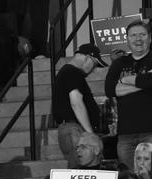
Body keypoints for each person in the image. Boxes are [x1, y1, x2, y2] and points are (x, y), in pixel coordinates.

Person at [105, 20, 152, 169]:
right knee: (128, 178)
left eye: (142, 34)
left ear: (150, 38)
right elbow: (110, 90)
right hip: (126, 134)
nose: (138, 39)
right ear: (127, 40)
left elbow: (118, 87)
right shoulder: (119, 63)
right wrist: (144, 83)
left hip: (150, 130)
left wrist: (125, 80)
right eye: (133, 35)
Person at [54, 45, 105, 167]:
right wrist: (90, 133)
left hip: (73, 129)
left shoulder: (68, 72)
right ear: (88, 58)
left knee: (80, 169)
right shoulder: (72, 72)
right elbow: (76, 102)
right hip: (75, 129)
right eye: (94, 64)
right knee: (81, 169)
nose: (93, 69)